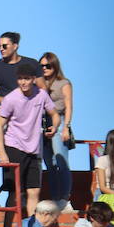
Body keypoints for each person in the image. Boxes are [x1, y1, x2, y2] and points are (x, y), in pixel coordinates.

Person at [0, 60, 55, 227]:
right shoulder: (11, 98)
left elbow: (54, 113)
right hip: (14, 146)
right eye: (20, 78)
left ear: (33, 79)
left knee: (34, 192)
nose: (23, 82)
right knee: (15, 192)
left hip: (34, 150)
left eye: (27, 78)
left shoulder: (41, 94)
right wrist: (2, 152)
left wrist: (55, 126)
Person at [38, 51, 74, 209]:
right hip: (42, 125)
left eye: (48, 66)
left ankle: (65, 199)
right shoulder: (38, 84)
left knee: (62, 162)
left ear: (55, 66)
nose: (44, 68)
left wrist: (66, 127)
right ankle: (55, 197)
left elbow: (68, 106)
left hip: (59, 125)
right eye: (41, 66)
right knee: (49, 164)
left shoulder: (63, 83)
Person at [0, 32, 41, 104]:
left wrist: (33, 103)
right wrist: (9, 101)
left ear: (15, 46)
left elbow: (42, 88)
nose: (1, 49)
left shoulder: (32, 63)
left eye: (4, 46)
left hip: (31, 110)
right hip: (7, 113)